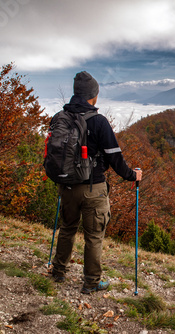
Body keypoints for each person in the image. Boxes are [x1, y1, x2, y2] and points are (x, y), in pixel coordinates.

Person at [51, 71, 142, 294]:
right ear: (94, 96)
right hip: (94, 189)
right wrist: (133, 175)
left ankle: (58, 271)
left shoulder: (60, 118)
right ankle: (91, 282)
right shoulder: (99, 122)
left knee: (67, 228)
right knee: (93, 236)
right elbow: (115, 158)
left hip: (67, 187)